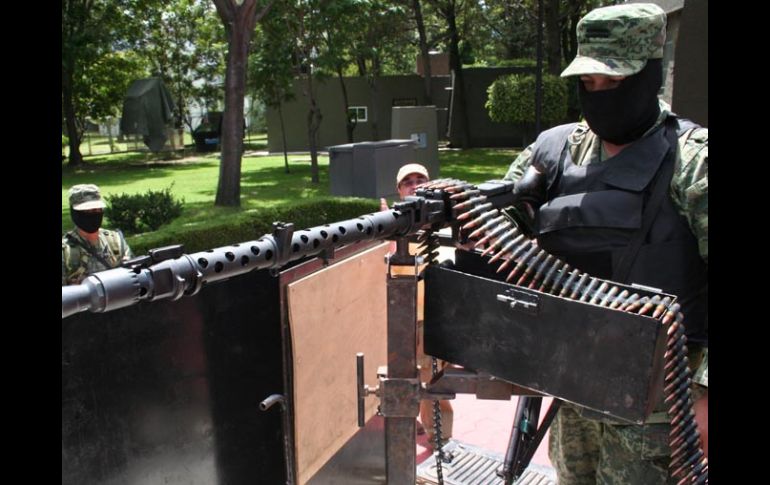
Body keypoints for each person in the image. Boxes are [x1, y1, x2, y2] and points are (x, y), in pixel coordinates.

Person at [500, 4, 707, 483]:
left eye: (613, 82)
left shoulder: (692, 162)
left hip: (661, 402)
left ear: (649, 74)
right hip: (572, 386)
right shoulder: (553, 151)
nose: (598, 95)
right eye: (588, 83)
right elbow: (495, 225)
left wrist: (706, 396)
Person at [381, 163, 454, 447]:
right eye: (407, 182)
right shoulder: (391, 226)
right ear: (400, 191)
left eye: (420, 180)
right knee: (403, 379)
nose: (414, 185)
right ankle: (412, 426)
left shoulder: (444, 222)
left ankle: (441, 438)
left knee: (435, 382)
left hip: (434, 318)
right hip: (403, 318)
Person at [62, 184, 133, 285]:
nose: (93, 214)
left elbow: (133, 275)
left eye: (97, 209)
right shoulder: (65, 251)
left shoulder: (116, 241)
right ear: (74, 212)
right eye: (87, 211)